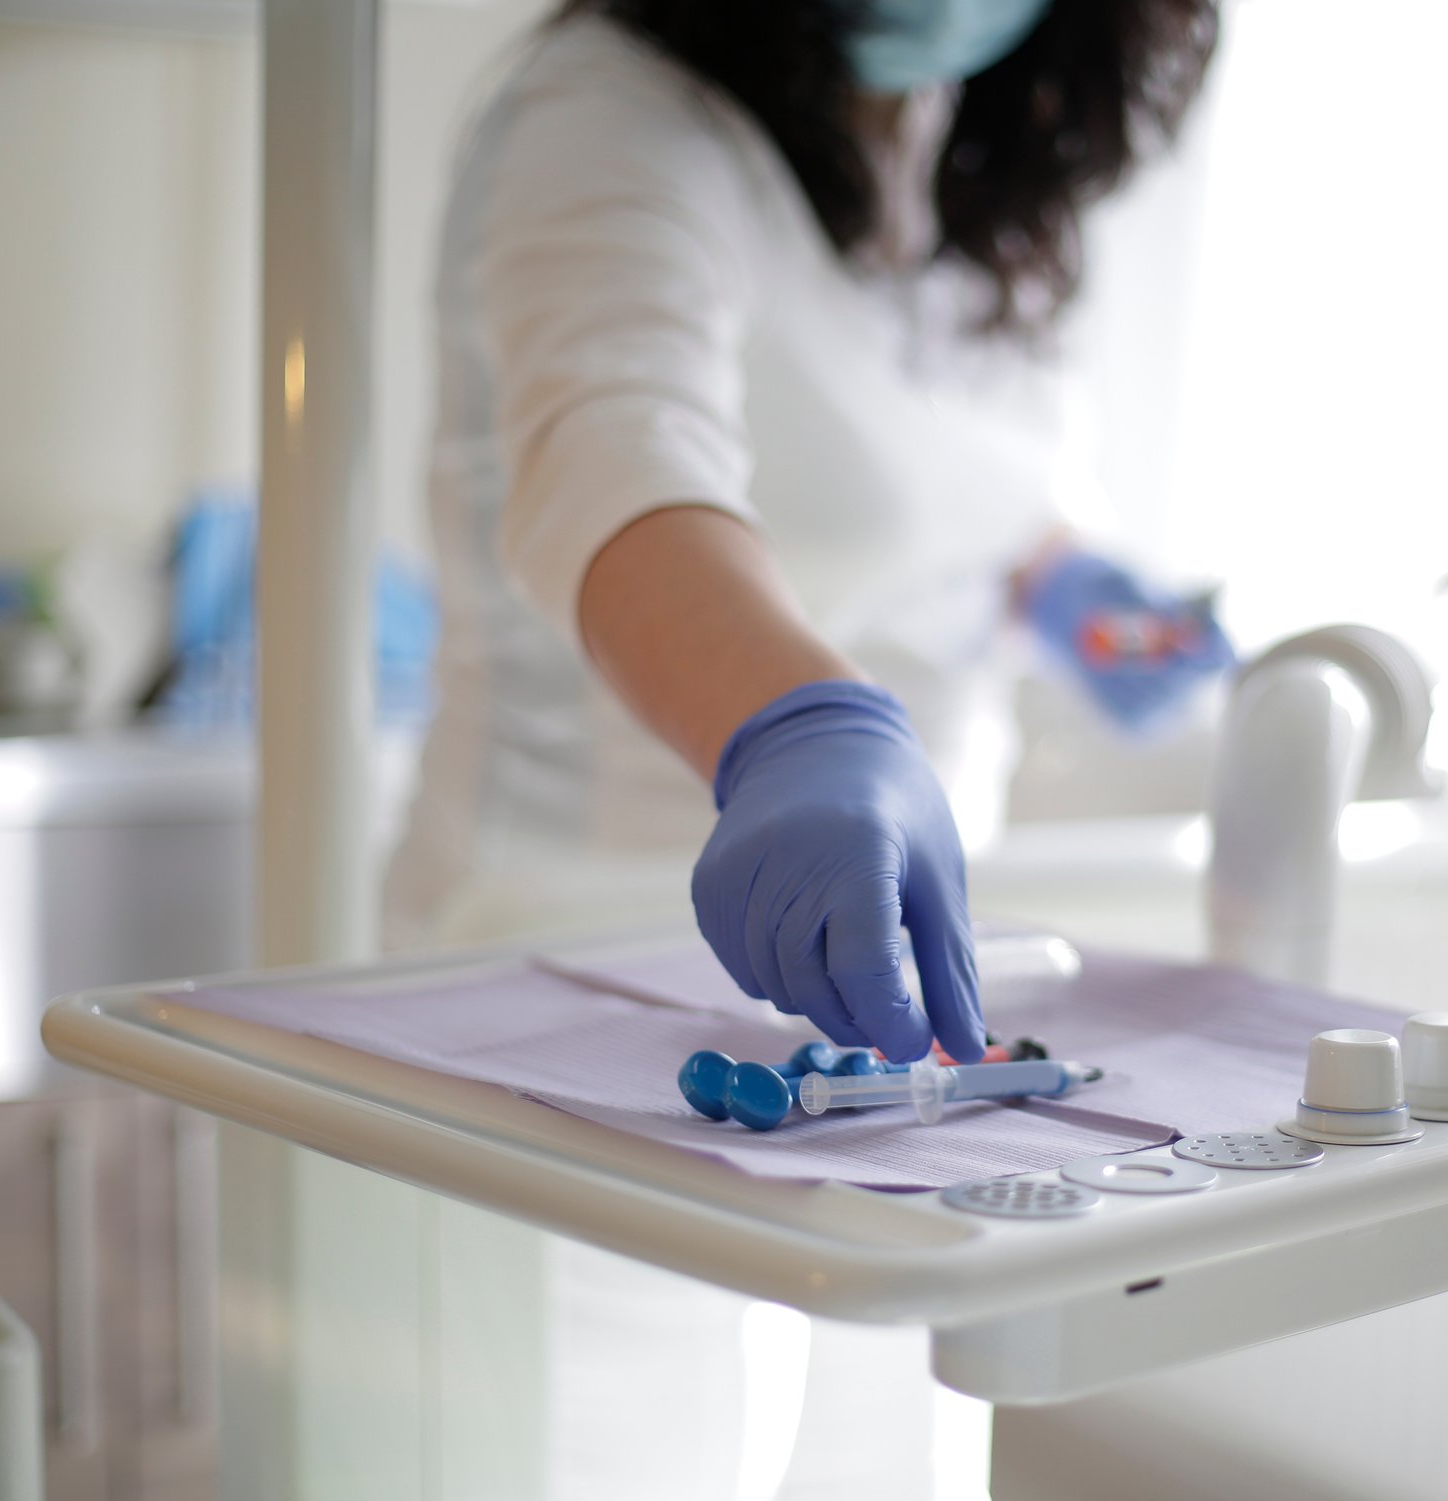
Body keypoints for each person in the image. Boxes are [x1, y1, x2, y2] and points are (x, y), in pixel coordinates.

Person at [387, 0, 1230, 1064]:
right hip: (573, 962)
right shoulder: (604, 114)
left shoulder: (976, 163)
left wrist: (1064, 587)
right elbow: (621, 473)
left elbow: (959, 493)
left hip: (898, 989)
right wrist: (798, 728)